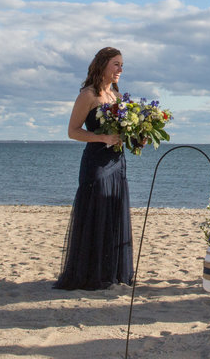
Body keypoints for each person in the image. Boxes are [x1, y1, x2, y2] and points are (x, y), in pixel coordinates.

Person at [54, 47, 134, 290]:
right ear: (102, 65)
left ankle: (111, 273)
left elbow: (123, 131)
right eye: (116, 64)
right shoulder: (88, 95)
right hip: (96, 165)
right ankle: (89, 275)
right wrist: (103, 138)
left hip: (117, 163)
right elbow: (72, 131)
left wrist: (135, 137)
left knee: (113, 214)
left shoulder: (118, 97)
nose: (121, 69)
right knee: (95, 213)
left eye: (121, 65)